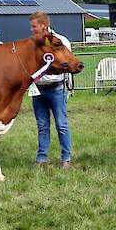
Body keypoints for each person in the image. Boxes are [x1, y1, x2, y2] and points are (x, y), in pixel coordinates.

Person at [28, 11, 74, 168]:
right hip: (38, 90)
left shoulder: (61, 42)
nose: (32, 29)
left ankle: (66, 158)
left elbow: (68, 64)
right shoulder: (33, 44)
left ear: (44, 26)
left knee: (61, 124)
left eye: (34, 26)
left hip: (56, 89)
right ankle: (42, 159)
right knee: (42, 125)